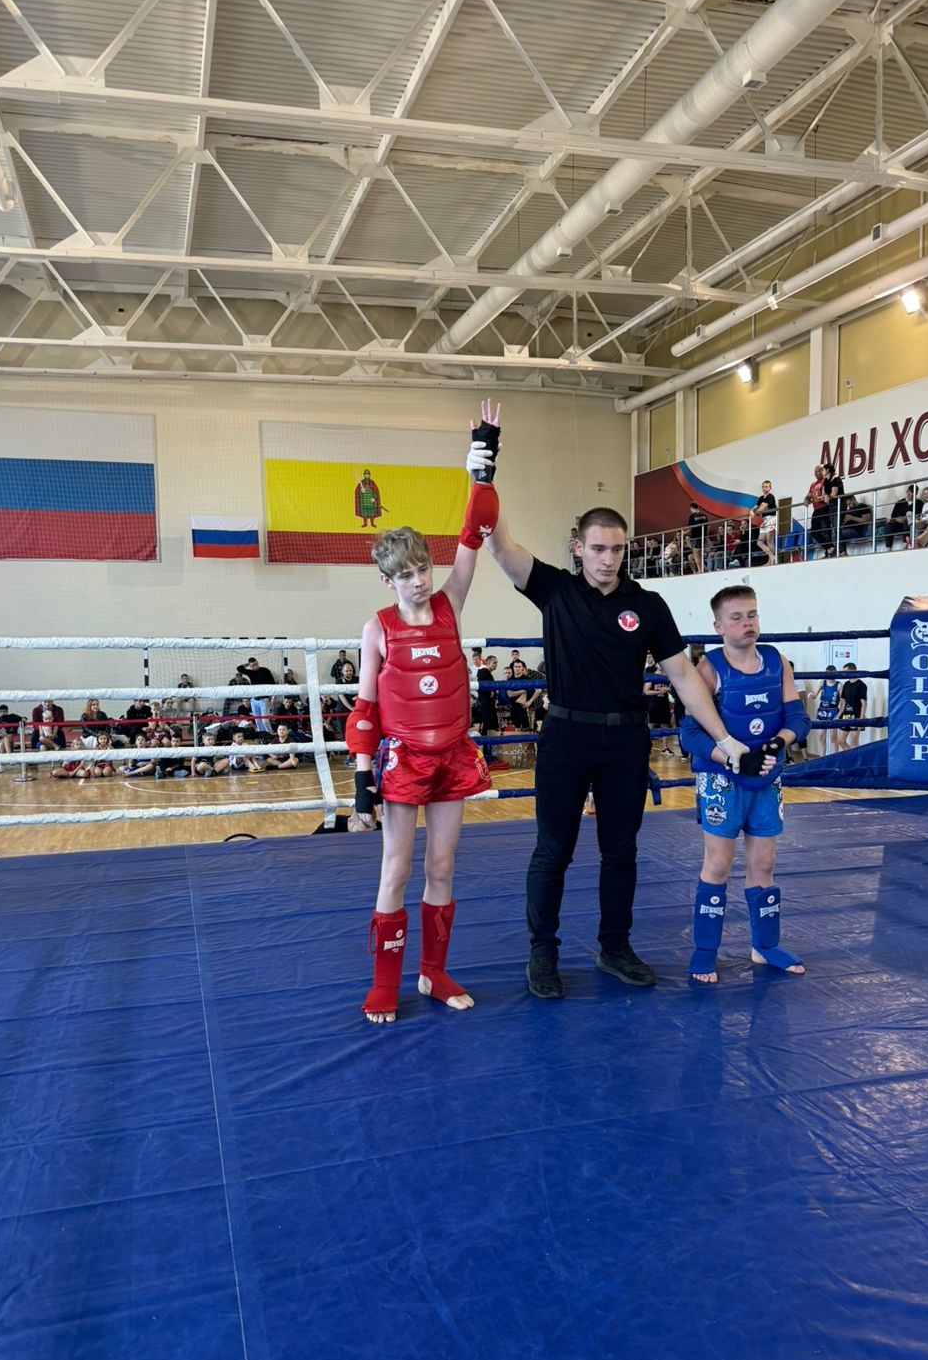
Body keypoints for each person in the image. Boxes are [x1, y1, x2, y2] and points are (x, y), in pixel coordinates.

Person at [474, 406, 750, 1000]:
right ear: (578, 547)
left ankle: (615, 947)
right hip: (566, 738)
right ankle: (542, 953)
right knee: (553, 850)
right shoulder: (554, 589)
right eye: (598, 548)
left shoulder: (648, 605)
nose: (608, 559)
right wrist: (484, 466)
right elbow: (498, 544)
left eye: (617, 550)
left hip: (626, 740)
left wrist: (724, 738)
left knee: (620, 851)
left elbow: (683, 676)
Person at [346, 430, 498, 1026]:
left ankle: (433, 973)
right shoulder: (377, 628)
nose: (419, 580)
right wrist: (362, 784)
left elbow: (473, 536)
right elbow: (364, 709)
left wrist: (481, 470)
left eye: (423, 568)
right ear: (387, 579)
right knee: (396, 869)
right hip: (404, 760)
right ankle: (385, 983)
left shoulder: (450, 603)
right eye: (406, 574)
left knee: (441, 867)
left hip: (453, 755)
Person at [681, 585, 810, 983]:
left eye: (752, 615)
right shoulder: (709, 669)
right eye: (736, 618)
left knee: (764, 864)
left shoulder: (776, 661)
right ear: (718, 626)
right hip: (722, 780)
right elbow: (689, 732)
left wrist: (775, 745)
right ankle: (705, 950)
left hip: (767, 777)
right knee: (718, 863)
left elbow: (798, 718)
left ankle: (765, 946)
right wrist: (732, 756)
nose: (747, 623)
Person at [242, 656, 277, 734]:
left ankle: (269, 735)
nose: (255, 666)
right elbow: (239, 668)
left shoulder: (265, 671)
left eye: (256, 664)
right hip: (254, 700)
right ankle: (262, 735)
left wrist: (273, 697)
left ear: (258, 663)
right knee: (258, 720)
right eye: (253, 665)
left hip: (264, 699)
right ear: (250, 666)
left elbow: (273, 684)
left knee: (265, 720)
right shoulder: (250, 672)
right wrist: (247, 664)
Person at [837, 665, 867, 751]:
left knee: (854, 740)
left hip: (856, 715)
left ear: (853, 671)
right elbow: (843, 701)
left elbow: (864, 703)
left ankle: (855, 758)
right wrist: (839, 715)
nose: (844, 674)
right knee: (841, 741)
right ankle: (851, 756)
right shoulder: (846, 684)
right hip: (846, 715)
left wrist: (861, 717)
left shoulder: (861, 685)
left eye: (846, 671)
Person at [813, 673, 839, 757]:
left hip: (833, 711)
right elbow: (814, 695)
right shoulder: (822, 683)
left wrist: (839, 715)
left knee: (833, 737)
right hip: (822, 711)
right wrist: (811, 695)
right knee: (821, 735)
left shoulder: (839, 685)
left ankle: (835, 759)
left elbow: (843, 701)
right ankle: (822, 758)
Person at [753, 480, 778, 565]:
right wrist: (752, 511)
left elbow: (761, 508)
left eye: (766, 487)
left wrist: (755, 512)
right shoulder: (761, 498)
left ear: (770, 488)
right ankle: (771, 557)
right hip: (764, 519)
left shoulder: (770, 496)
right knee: (759, 542)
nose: (765, 488)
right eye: (763, 487)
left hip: (771, 518)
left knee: (769, 540)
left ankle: (773, 560)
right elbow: (755, 507)